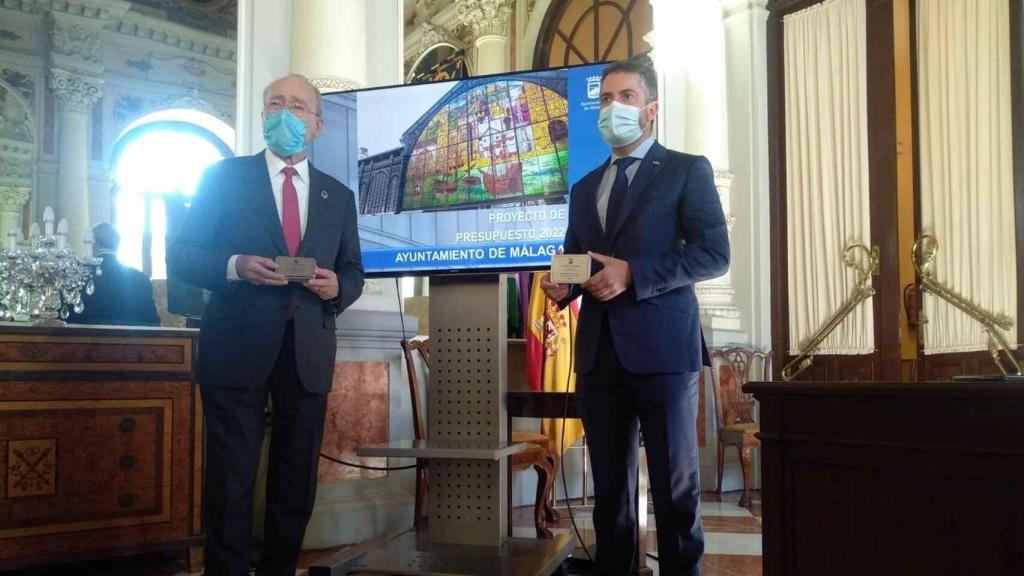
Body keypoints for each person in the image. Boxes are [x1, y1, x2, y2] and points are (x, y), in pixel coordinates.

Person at [167, 74, 364, 576]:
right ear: (261, 115)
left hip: (308, 352)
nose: (284, 113)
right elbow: (183, 254)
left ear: (316, 124)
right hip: (237, 346)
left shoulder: (338, 197)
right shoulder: (223, 177)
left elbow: (353, 271)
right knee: (231, 479)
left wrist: (336, 288)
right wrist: (235, 265)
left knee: (295, 481)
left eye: (297, 106)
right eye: (275, 103)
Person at [540, 57, 730, 576]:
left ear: (650, 109)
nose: (612, 108)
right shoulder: (584, 188)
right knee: (609, 494)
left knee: (674, 488)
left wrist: (634, 274)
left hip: (664, 349)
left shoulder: (686, 170)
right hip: (600, 353)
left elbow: (715, 253)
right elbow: (576, 261)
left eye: (624, 97)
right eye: (604, 99)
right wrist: (560, 286)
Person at [69, 222, 160, 326]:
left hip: (83, 340)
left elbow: (65, 318)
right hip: (129, 341)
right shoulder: (140, 278)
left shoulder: (76, 275)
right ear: (117, 245)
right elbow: (152, 323)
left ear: (94, 244)